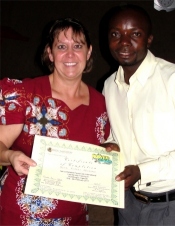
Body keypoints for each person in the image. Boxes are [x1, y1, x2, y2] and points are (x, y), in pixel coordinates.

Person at [0, 17, 111, 225]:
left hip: (74, 216)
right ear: (50, 53)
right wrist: (10, 155)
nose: (70, 54)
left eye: (77, 46)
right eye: (61, 46)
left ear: (88, 52)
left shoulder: (101, 105)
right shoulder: (25, 93)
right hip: (21, 215)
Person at [102, 4, 175, 225]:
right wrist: (111, 146)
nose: (124, 42)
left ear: (149, 39)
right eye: (116, 34)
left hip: (173, 206)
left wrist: (142, 171)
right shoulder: (109, 86)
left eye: (135, 34)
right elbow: (117, 135)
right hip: (128, 205)